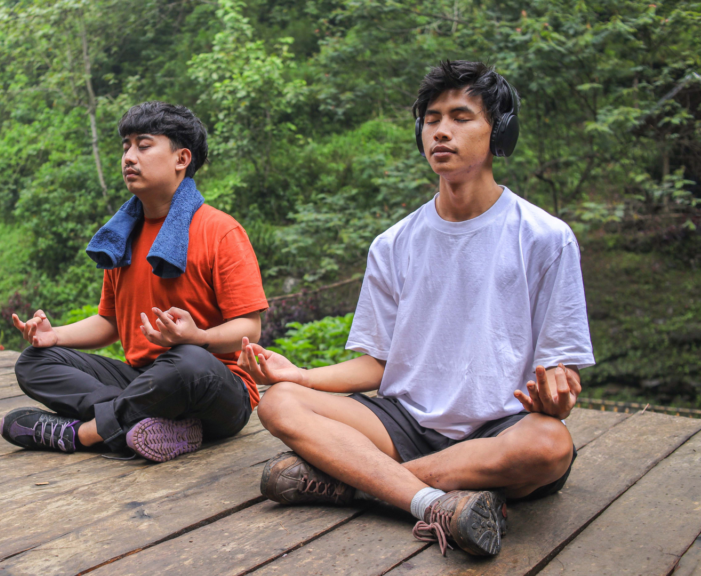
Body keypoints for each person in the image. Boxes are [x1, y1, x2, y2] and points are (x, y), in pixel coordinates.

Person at [238, 60, 595, 557]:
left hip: (499, 429)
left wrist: (557, 393)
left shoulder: (545, 238)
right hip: (404, 422)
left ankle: (355, 485)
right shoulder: (394, 243)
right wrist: (298, 374)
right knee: (279, 402)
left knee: (549, 445)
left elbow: (558, 366)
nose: (441, 131)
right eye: (431, 119)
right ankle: (432, 500)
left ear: (499, 132)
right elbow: (378, 365)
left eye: (461, 116)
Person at [0, 101, 268, 463]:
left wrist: (198, 337)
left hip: (215, 388)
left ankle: (85, 434)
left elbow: (250, 328)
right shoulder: (121, 236)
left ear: (181, 158)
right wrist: (55, 336)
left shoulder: (220, 231)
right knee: (34, 362)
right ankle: (146, 423)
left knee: (188, 360)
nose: (128, 156)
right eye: (125, 146)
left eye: (143, 145)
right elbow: (110, 323)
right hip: (145, 380)